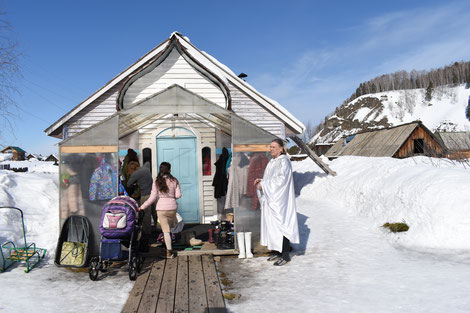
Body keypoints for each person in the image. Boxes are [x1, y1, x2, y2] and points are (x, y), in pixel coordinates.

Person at [254, 139, 299, 266]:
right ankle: (276, 251)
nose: (271, 149)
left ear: (281, 149)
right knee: (272, 225)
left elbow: (282, 180)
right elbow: (272, 179)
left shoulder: (284, 162)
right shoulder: (272, 162)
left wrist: (264, 185)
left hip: (280, 201)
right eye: (270, 147)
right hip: (272, 200)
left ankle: (285, 255)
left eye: (274, 147)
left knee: (282, 224)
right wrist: (262, 180)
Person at [139, 162, 182, 259]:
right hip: (172, 208)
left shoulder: (157, 181)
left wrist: (142, 207)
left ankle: (169, 252)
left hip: (161, 208)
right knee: (169, 229)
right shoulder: (174, 181)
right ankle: (168, 248)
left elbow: (152, 198)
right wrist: (172, 196)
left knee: (165, 231)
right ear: (169, 170)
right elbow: (178, 195)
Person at [128, 161, 156, 251]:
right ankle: (158, 229)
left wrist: (135, 184)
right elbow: (148, 163)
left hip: (145, 195)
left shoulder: (135, 174)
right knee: (155, 213)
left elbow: (128, 184)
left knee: (146, 215)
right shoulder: (146, 170)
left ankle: (147, 234)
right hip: (153, 194)